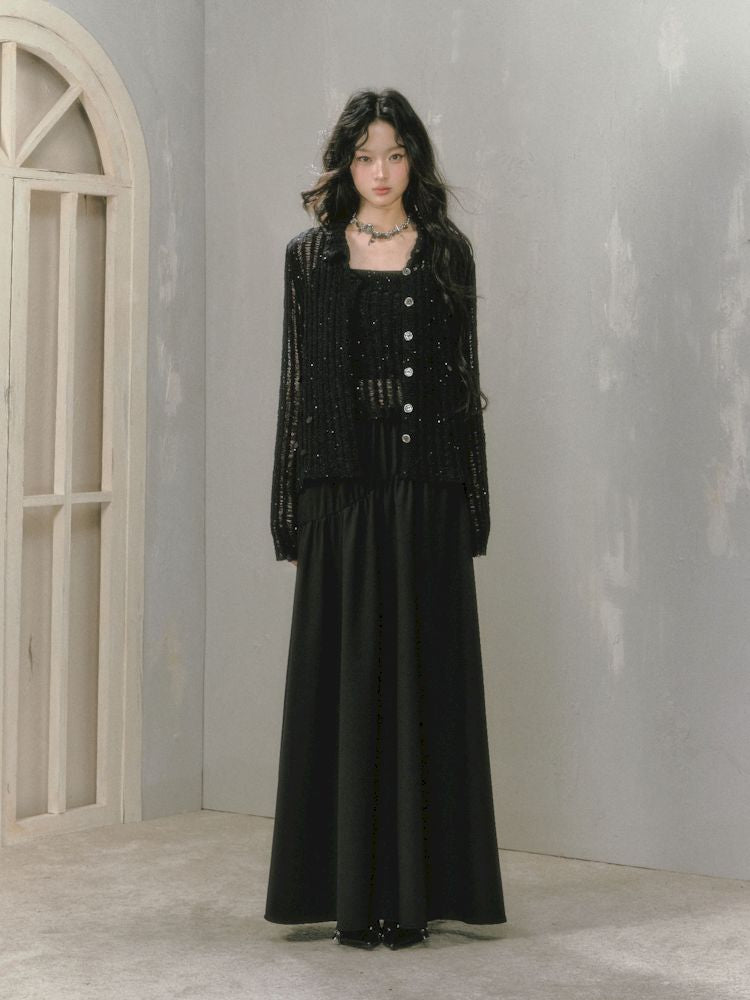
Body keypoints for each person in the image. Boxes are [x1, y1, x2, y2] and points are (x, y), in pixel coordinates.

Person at [265, 88, 507, 951]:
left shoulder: (448, 253)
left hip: (424, 485)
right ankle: (346, 893)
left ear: (414, 162)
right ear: (346, 163)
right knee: (346, 678)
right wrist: (289, 511)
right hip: (341, 485)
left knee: (426, 677)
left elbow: (464, 384)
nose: (380, 172)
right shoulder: (309, 257)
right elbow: (296, 386)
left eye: (395, 155)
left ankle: (418, 897)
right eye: (366, 156)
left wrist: (472, 503)